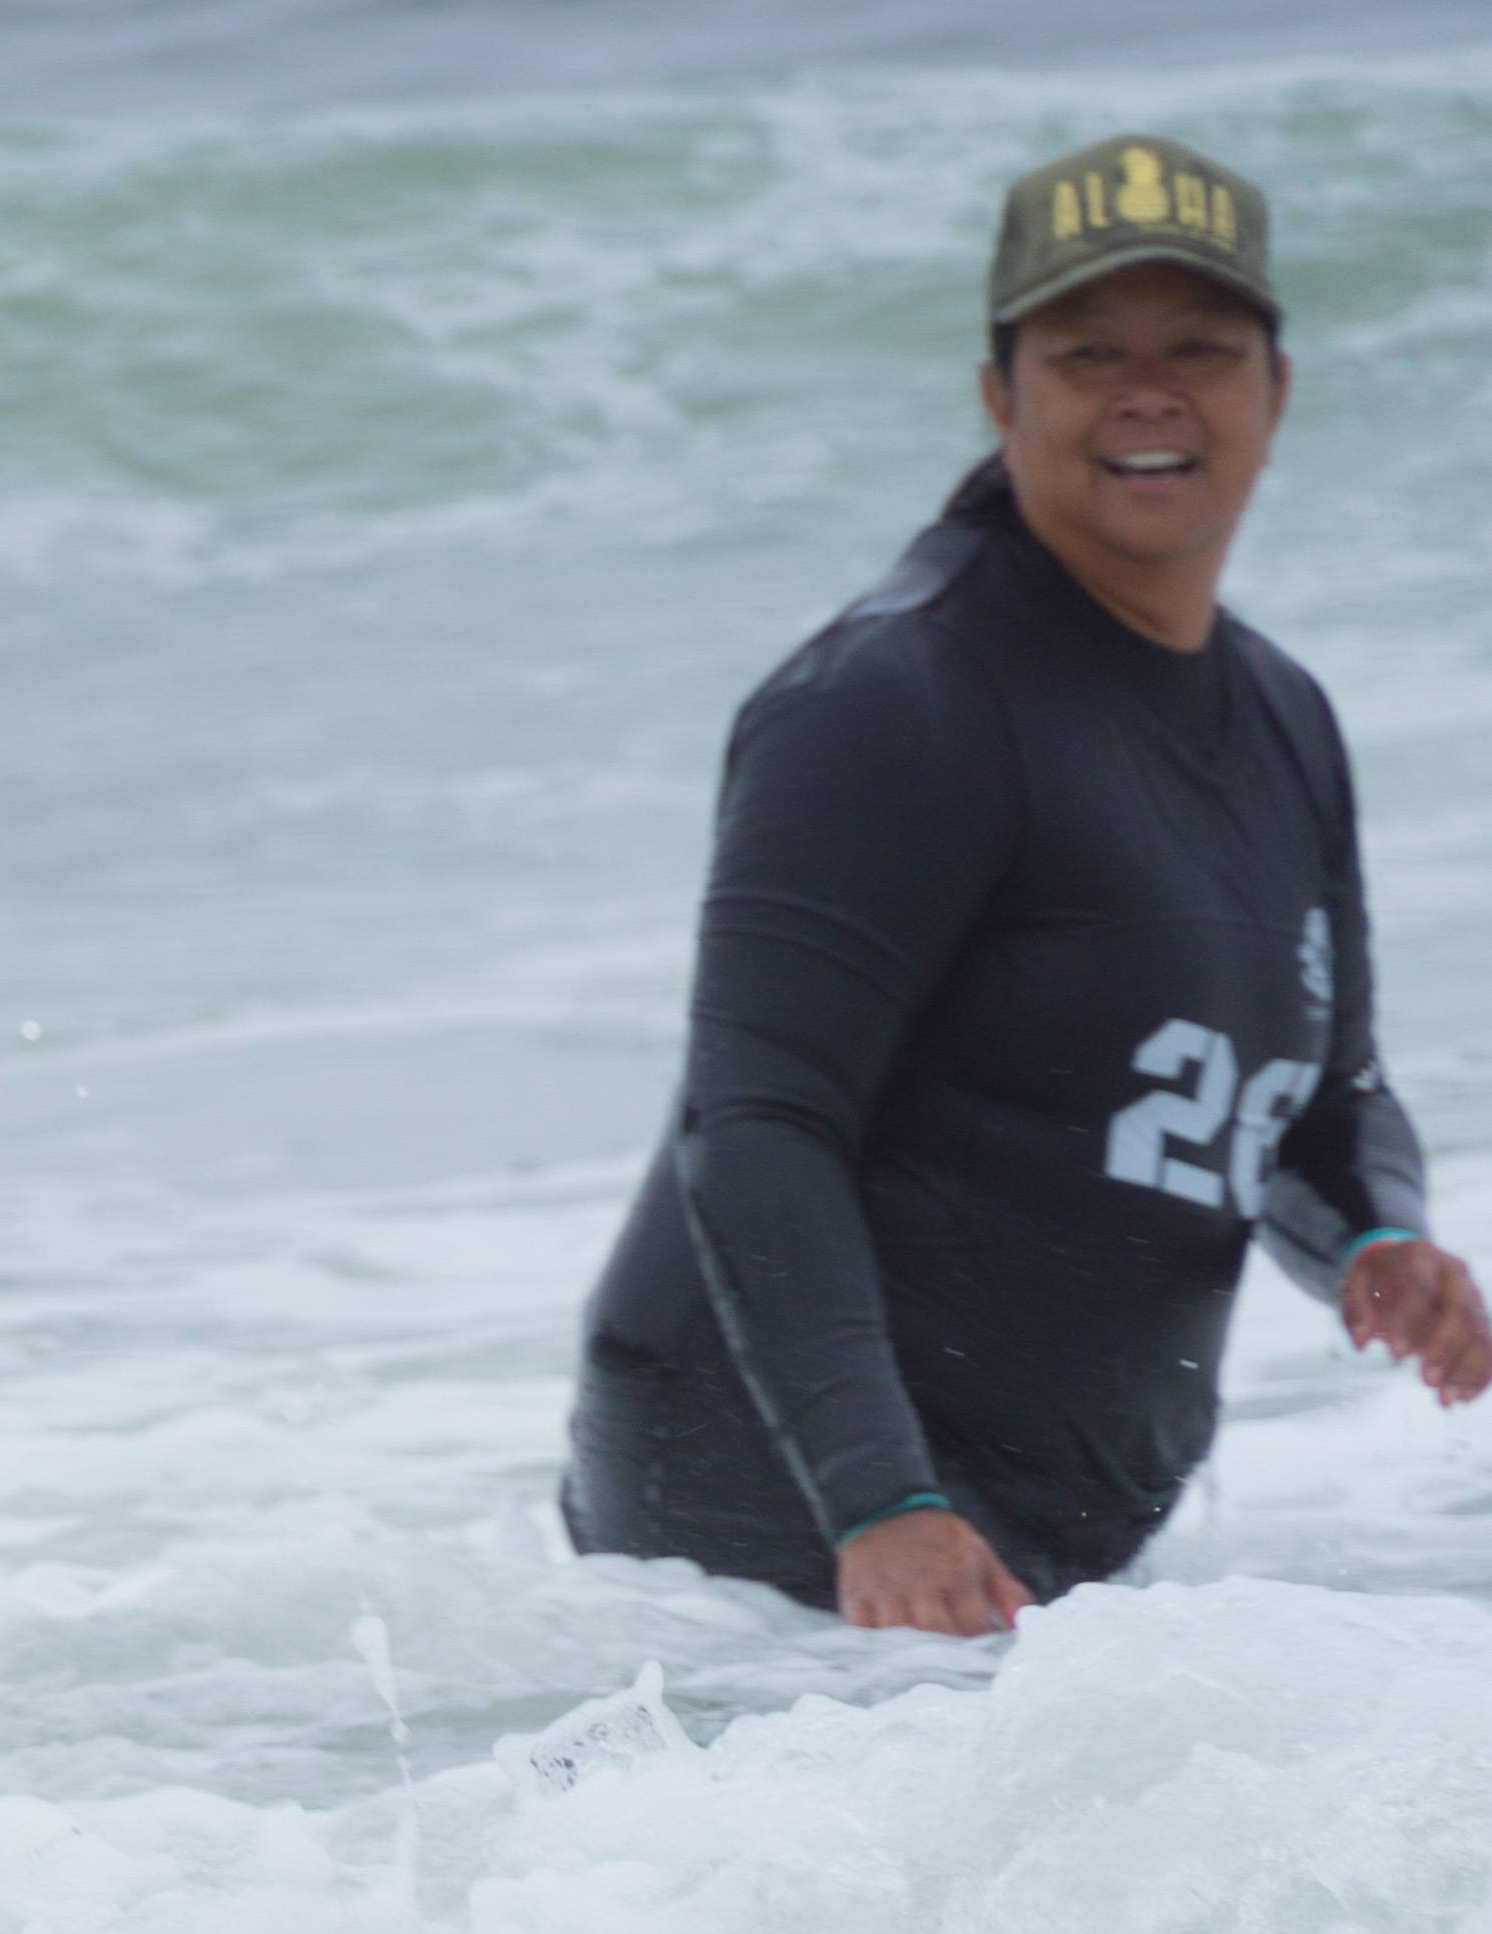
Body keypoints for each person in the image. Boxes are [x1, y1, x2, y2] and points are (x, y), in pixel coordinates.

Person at [562, 133, 1488, 1638]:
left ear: (1277, 389)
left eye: (1201, 345)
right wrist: (877, 1499)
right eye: (1087, 351)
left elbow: (1324, 1092)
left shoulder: (1284, 718)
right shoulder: (896, 697)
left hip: (1015, 1557)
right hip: (769, 1534)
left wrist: (1377, 1236)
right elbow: (758, 1119)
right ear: (1001, 396)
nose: (1149, 389)